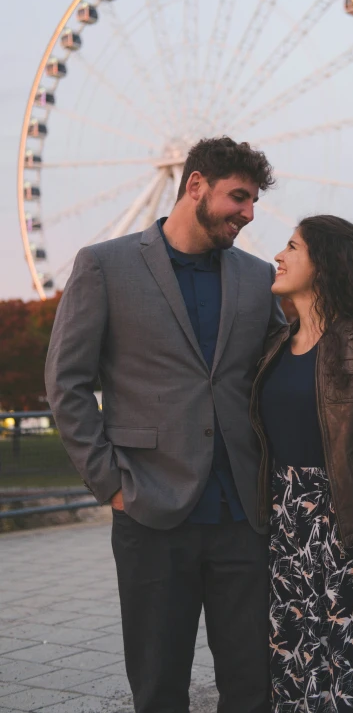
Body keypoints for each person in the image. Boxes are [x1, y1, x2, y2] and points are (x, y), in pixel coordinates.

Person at [45, 136, 286, 713]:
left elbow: (284, 370)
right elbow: (66, 382)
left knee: (253, 687)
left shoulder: (256, 278)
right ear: (195, 185)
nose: (248, 214)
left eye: (253, 202)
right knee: (158, 688)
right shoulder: (104, 264)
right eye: (239, 197)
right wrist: (111, 484)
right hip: (150, 512)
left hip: (242, 517)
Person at [250, 215, 353, 712]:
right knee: (293, 679)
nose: (277, 257)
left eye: (291, 246)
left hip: (343, 534)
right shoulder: (275, 347)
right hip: (284, 534)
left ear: (323, 264)